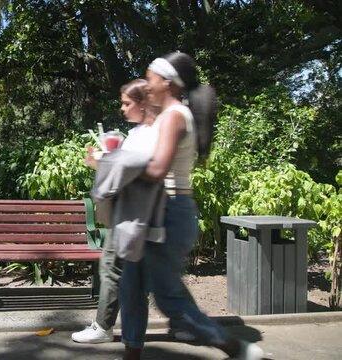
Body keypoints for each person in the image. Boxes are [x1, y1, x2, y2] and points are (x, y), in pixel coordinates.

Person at [117, 52, 264, 360]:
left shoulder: (174, 116)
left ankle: (238, 349)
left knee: (170, 300)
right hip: (154, 210)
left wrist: (115, 163)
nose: (147, 83)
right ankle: (131, 355)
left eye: (151, 77)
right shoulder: (168, 115)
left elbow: (157, 170)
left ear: (167, 82)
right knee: (130, 288)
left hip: (168, 211)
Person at [72, 79, 159, 343]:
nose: (122, 108)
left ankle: (105, 328)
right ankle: (120, 331)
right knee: (121, 271)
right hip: (129, 210)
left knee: (113, 267)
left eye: (127, 103)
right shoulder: (136, 133)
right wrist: (100, 163)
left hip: (136, 212)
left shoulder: (149, 134)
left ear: (143, 103)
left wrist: (106, 160)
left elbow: (137, 171)